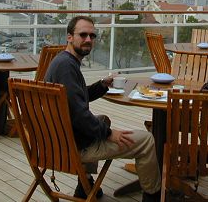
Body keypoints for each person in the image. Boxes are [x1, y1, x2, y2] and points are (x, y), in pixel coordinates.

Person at [45, 15, 161, 202]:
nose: (88, 40)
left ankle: (86, 185)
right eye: (83, 35)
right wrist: (109, 134)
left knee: (102, 119)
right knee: (146, 140)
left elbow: (76, 99)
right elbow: (79, 114)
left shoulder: (63, 62)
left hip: (57, 140)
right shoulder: (67, 67)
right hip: (74, 147)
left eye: (92, 36)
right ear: (69, 37)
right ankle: (153, 196)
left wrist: (102, 84)